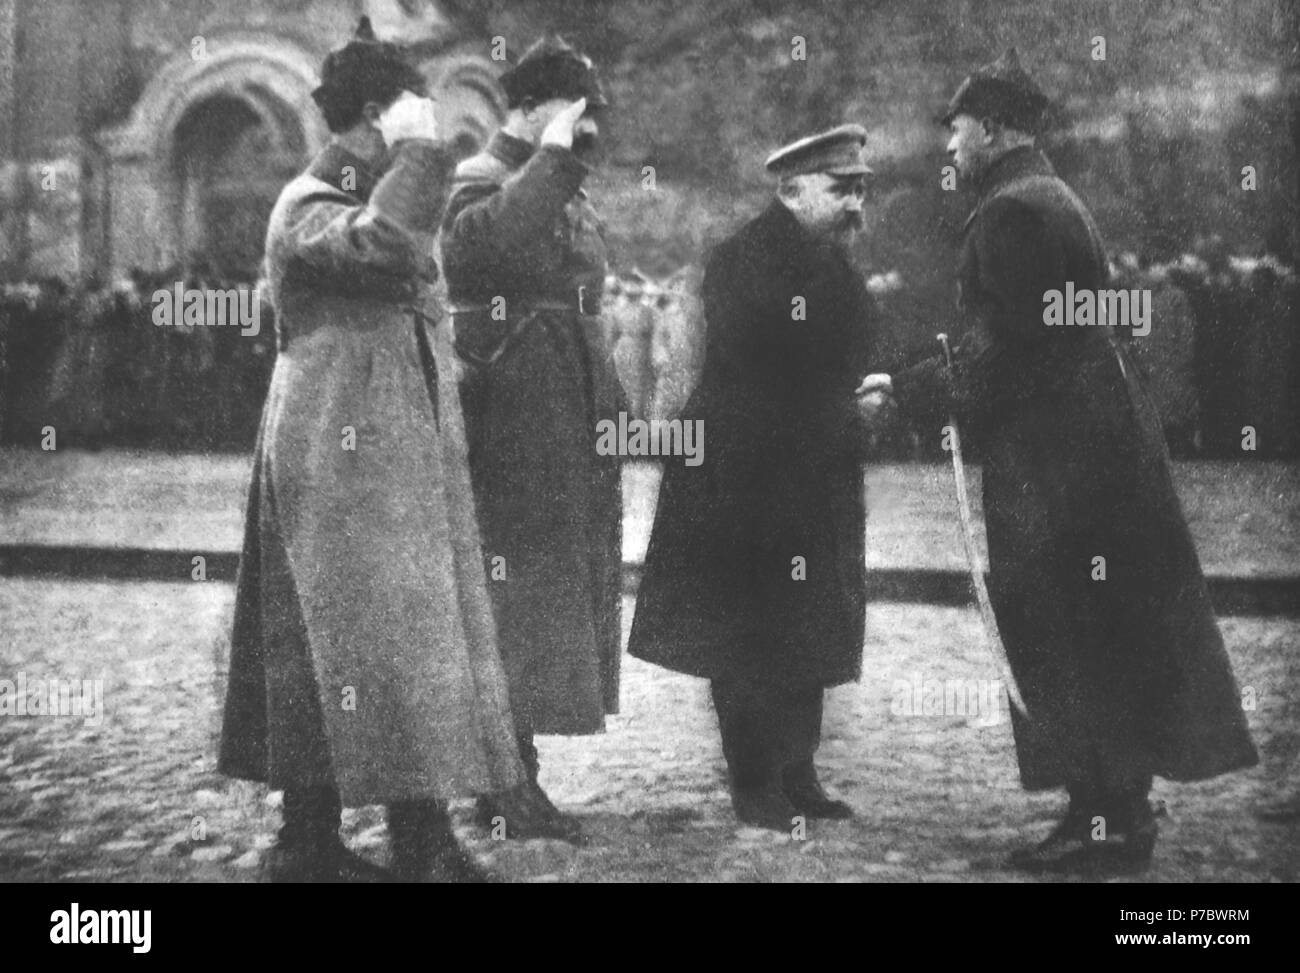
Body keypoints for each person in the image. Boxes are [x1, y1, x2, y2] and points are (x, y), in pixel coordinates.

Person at [862, 49, 1257, 873]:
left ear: (997, 129)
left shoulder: (1012, 212)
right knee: (1098, 626)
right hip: (1086, 445)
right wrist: (933, 370)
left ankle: (1107, 822)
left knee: (1070, 628)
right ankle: (1107, 809)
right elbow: (1023, 335)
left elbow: (1015, 354)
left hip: (1060, 459)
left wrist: (909, 395)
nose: (949, 148)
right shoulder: (1044, 197)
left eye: (959, 130)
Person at [218, 17, 523, 883]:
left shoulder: (372, 194)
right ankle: (323, 842)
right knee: (333, 639)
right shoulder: (309, 204)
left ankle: (393, 838)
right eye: (410, 111)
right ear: (376, 116)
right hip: (333, 453)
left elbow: (415, 278)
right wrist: (423, 156)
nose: (425, 125)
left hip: (389, 453)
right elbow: (386, 246)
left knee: (401, 638)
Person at [627, 125, 887, 830]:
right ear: (790, 189)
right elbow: (772, 361)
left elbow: (850, 343)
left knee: (809, 622)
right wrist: (846, 401)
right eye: (842, 188)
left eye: (861, 187)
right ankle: (753, 783)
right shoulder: (745, 257)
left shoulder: (830, 262)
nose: (856, 203)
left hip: (808, 474)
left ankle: (798, 772)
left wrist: (859, 396)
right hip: (743, 481)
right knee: (747, 632)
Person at [439, 36, 624, 843]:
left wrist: (610, 408)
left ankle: (520, 772)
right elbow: (477, 255)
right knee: (513, 591)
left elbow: (586, 298)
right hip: (511, 415)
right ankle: (504, 780)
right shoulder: (483, 176)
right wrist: (549, 163)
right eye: (574, 108)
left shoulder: (564, 183)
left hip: (566, 410)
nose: (588, 126)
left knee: (555, 591)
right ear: (530, 106)